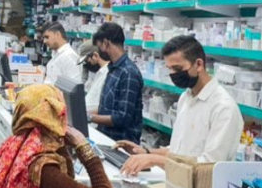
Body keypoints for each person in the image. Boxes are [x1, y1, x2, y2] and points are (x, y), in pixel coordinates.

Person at [118, 35, 244, 174]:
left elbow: (208, 166)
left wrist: (154, 160)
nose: (173, 74)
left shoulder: (223, 108)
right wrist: (145, 152)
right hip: (177, 181)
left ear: (199, 65)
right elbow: (178, 151)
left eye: (178, 69)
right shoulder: (186, 98)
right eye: (170, 69)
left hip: (203, 187)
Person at [90, 21, 144, 144]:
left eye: (99, 46)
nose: (99, 51)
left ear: (106, 43)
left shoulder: (128, 73)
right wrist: (83, 113)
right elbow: (106, 109)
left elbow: (122, 118)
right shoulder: (113, 69)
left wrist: (90, 118)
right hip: (106, 138)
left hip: (121, 144)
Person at [39, 22, 83, 89]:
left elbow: (74, 87)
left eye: (47, 37)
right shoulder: (56, 55)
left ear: (58, 34)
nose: (44, 41)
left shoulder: (69, 56)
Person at [77, 40, 108, 115]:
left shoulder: (106, 74)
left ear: (95, 55)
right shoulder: (98, 73)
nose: (87, 63)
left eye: (86, 60)